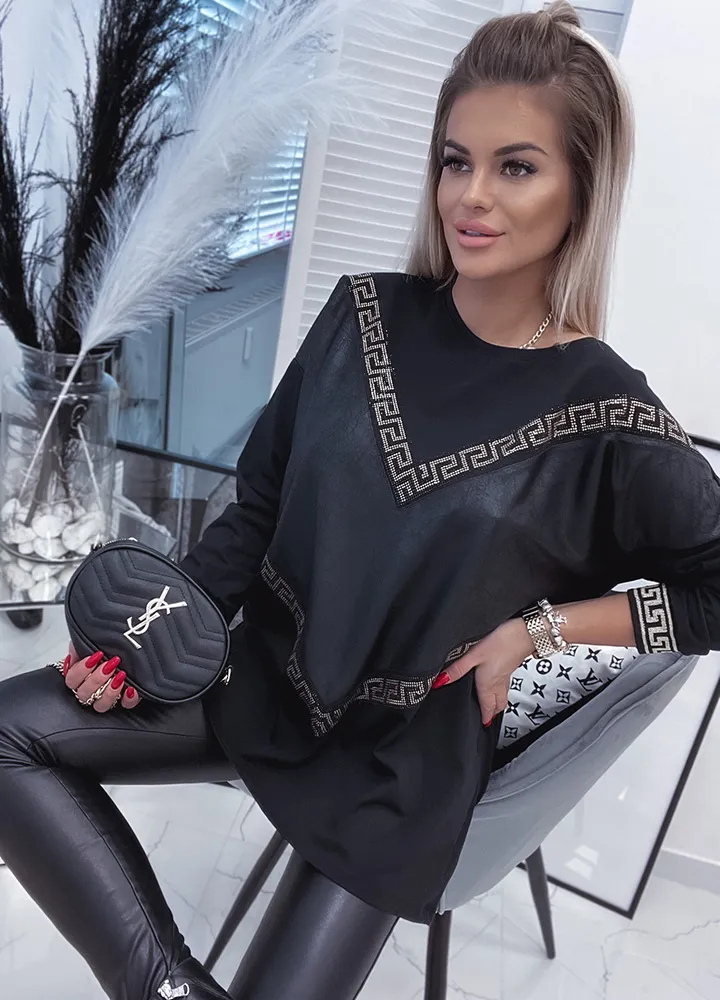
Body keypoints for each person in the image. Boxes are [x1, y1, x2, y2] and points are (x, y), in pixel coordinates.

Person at [1, 3, 719, 998]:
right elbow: (255, 511)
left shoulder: (606, 412)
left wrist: (542, 629)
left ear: (581, 190)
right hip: (258, 683)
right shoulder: (362, 314)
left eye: (516, 167)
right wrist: (149, 641)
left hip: (396, 771)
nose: (472, 196)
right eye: (455, 160)